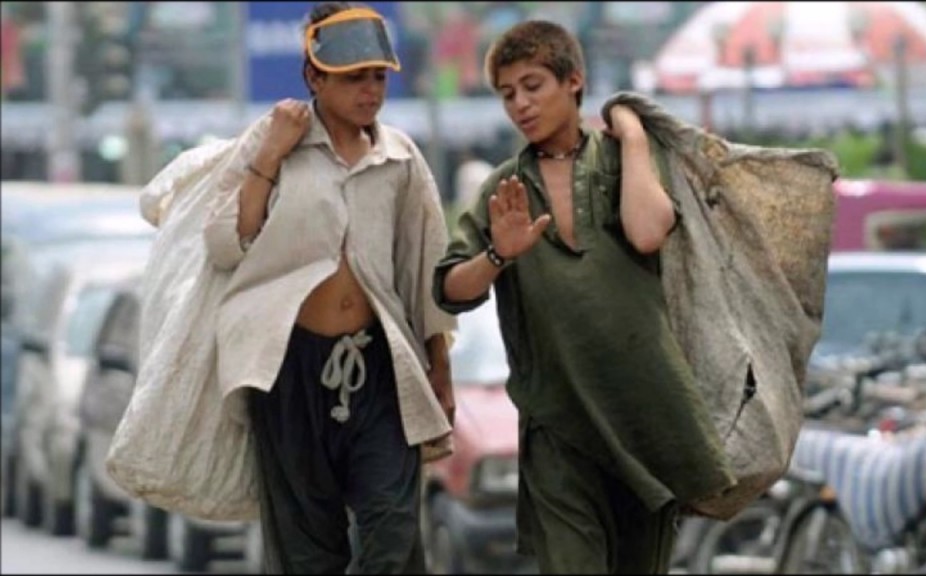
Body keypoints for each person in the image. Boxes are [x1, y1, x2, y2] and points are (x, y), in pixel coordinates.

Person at [432, 20, 735, 574]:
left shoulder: (625, 163)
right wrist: (498, 255)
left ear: (574, 80)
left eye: (533, 86)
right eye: (507, 94)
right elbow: (451, 290)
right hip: (558, 428)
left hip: (645, 418)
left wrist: (635, 138)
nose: (520, 104)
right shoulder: (505, 189)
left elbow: (648, 231)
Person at [202, 2, 455, 573]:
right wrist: (271, 154)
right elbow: (223, 243)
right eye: (352, 77)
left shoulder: (400, 158)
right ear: (313, 78)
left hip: (380, 370)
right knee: (306, 552)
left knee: (392, 534)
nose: (370, 91)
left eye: (377, 77)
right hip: (287, 370)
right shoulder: (272, 144)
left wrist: (439, 366)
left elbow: (423, 267)